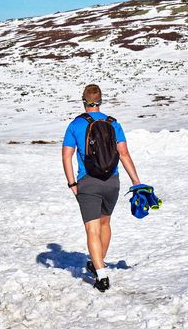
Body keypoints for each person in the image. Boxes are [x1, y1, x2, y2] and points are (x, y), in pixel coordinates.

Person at [61, 84, 141, 292]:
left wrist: (72, 183)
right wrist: (136, 182)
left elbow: (66, 156)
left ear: (83, 100)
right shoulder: (113, 123)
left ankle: (101, 274)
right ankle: (99, 263)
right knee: (105, 223)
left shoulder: (76, 125)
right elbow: (124, 154)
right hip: (112, 182)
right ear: (101, 100)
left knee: (92, 228)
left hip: (88, 181)